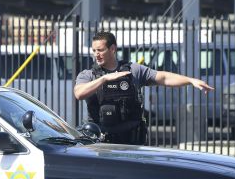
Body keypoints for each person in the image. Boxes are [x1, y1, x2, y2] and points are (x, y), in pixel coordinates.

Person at [74, 31, 214, 145]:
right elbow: (79, 93)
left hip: (131, 141)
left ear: (112, 49)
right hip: (101, 142)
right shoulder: (88, 75)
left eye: (100, 50)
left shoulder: (133, 70)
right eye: (94, 50)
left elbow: (163, 77)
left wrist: (190, 80)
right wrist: (104, 79)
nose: (96, 54)